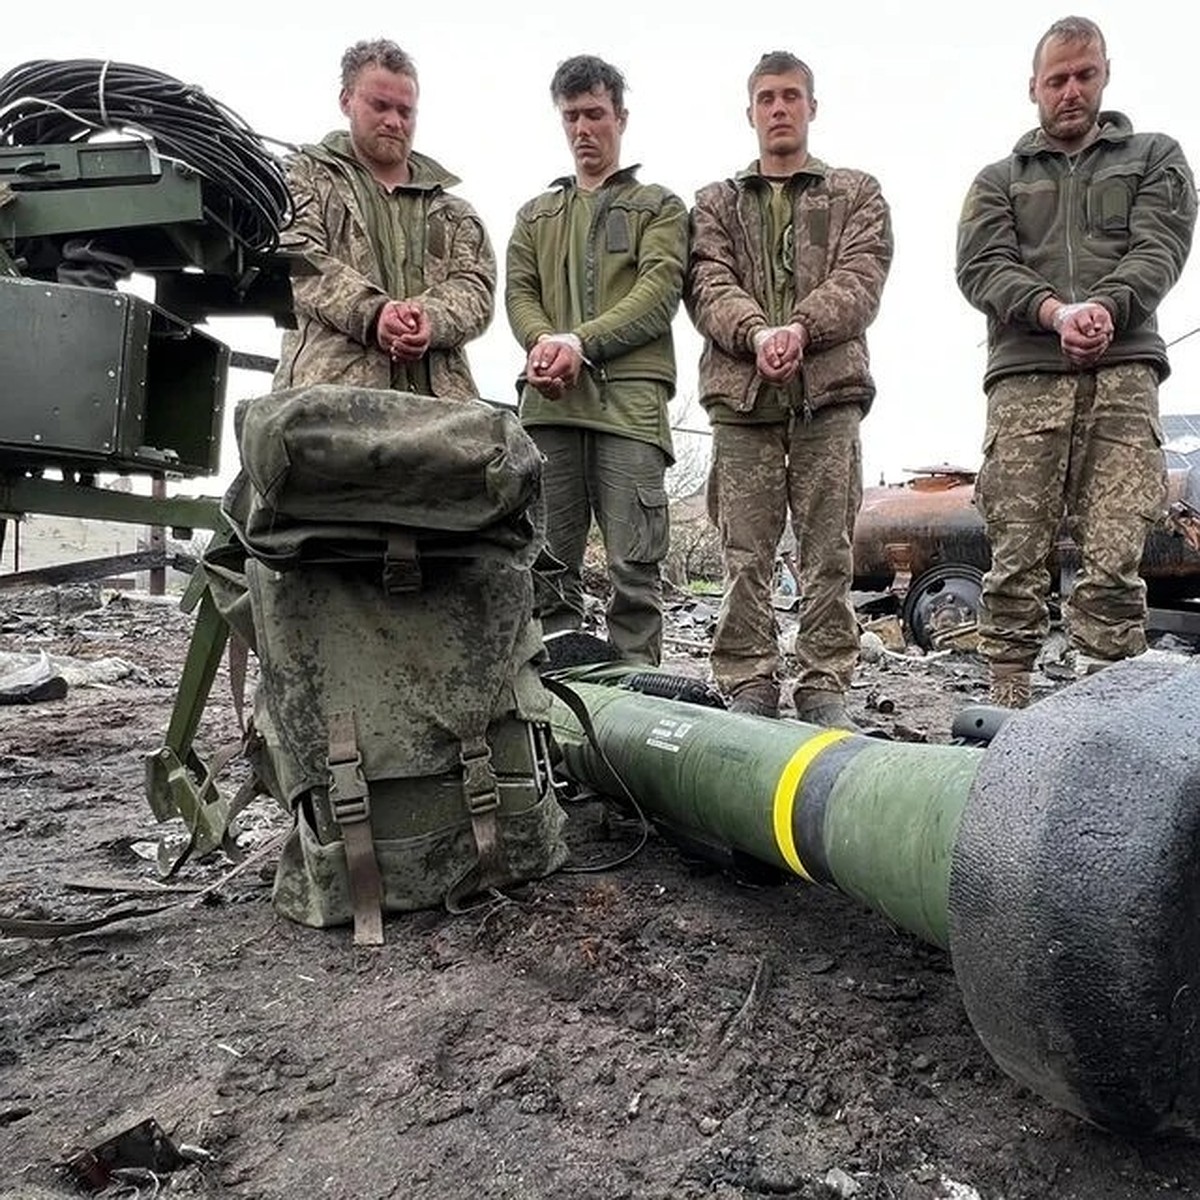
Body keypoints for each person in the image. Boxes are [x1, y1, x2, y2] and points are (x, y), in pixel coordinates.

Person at [956, 15, 1196, 709]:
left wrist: (1105, 309)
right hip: (1026, 374)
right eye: (1056, 79)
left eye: (1083, 75)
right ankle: (1006, 691)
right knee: (1015, 549)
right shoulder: (998, 179)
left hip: (1123, 370)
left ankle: (1106, 699)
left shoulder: (1155, 157)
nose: (1070, 91)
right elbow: (981, 265)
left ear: (1105, 74)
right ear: (1033, 86)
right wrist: (1053, 312)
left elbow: (1161, 247)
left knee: (1117, 550)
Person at [685, 51, 893, 724]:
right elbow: (707, 283)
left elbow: (862, 277)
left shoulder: (855, 192)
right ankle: (749, 677)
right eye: (767, 98)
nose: (779, 108)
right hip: (744, 404)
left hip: (826, 396)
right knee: (743, 550)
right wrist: (755, 336)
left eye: (791, 96)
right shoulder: (715, 203)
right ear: (750, 111)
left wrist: (800, 331)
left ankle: (824, 680)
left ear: (812, 106)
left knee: (828, 546)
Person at [505, 55, 688, 665]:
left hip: (629, 408)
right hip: (549, 409)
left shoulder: (659, 207)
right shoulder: (535, 217)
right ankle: (557, 704)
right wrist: (541, 344)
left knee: (635, 572)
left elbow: (659, 294)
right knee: (546, 567)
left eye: (595, 114)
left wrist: (579, 342)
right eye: (572, 116)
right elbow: (519, 293)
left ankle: (640, 702)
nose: (584, 128)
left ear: (621, 118)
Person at [274, 39, 495, 398]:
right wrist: (374, 314)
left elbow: (476, 289)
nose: (394, 122)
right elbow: (298, 260)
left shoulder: (454, 212)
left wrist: (427, 319)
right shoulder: (303, 177)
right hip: (330, 406)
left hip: (438, 414)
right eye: (380, 106)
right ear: (346, 100)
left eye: (405, 111)